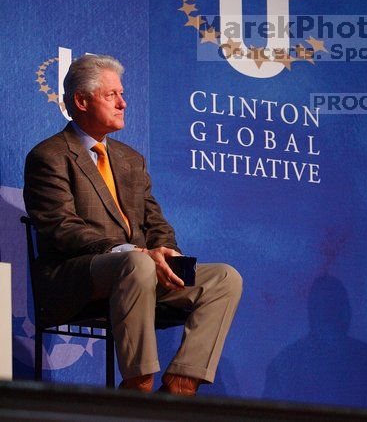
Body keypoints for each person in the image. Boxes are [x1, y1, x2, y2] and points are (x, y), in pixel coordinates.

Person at [23, 54, 243, 395]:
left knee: (225, 278)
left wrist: (166, 253)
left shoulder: (130, 160)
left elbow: (156, 221)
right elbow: (61, 227)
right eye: (111, 95)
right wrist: (133, 251)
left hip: (138, 272)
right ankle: (138, 383)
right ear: (81, 101)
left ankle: (182, 383)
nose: (123, 103)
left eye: (121, 94)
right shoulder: (49, 156)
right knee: (137, 262)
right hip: (77, 276)